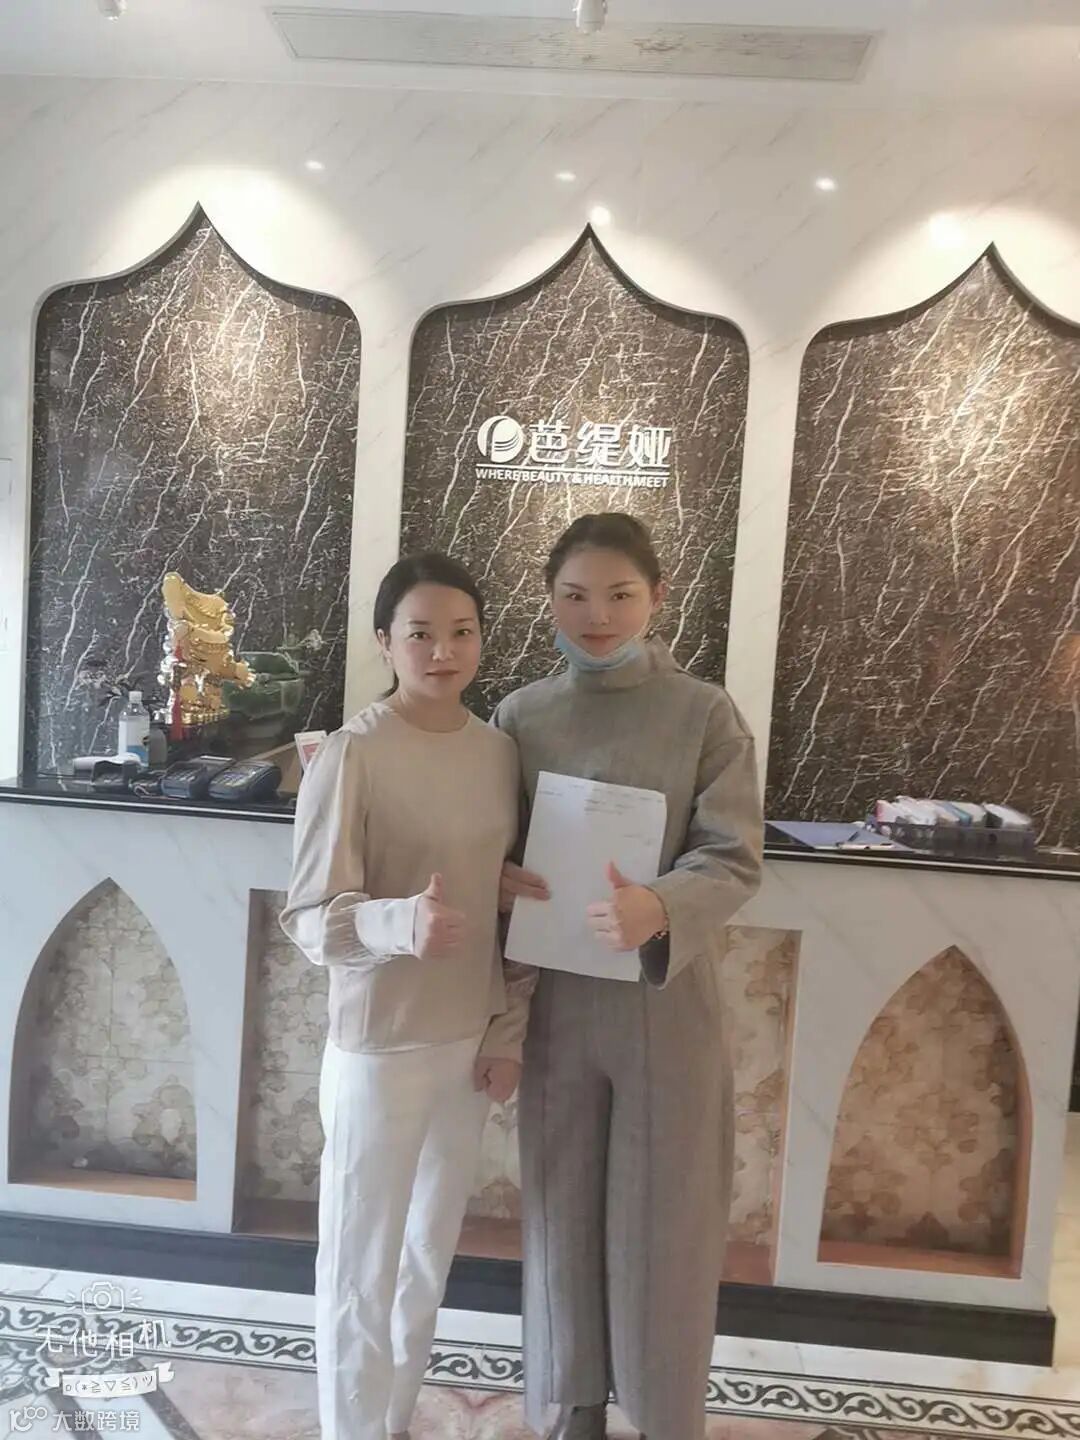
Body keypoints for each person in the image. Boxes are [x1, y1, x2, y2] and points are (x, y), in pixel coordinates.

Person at [493, 513, 764, 1440]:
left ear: (657, 597)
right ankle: (568, 1406)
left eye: (619, 594)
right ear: (549, 600)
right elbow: (493, 841)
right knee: (558, 1209)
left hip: (664, 1003)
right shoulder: (521, 716)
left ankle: (663, 1415)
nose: (596, 615)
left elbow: (732, 856)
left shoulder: (704, 714)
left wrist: (660, 905)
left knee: (665, 1223)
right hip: (556, 1003)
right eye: (574, 595)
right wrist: (497, 876)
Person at [280, 552, 532, 1440]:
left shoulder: (499, 753)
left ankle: (389, 1418)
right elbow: (309, 917)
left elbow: (514, 906)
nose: (442, 651)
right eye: (420, 633)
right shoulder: (354, 752)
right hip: (379, 1045)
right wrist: (399, 923)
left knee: (427, 1256)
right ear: (385, 642)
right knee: (361, 1260)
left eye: (461, 632)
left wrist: (508, 1032)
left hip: (466, 1042)